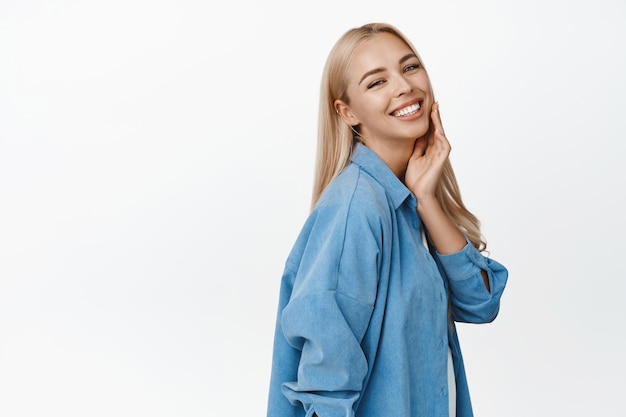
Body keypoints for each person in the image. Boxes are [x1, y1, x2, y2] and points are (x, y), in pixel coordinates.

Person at [266, 22, 508, 417]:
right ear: (347, 112)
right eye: (376, 82)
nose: (404, 87)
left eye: (409, 67)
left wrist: (428, 200)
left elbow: (481, 302)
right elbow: (326, 386)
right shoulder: (357, 210)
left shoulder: (408, 199)